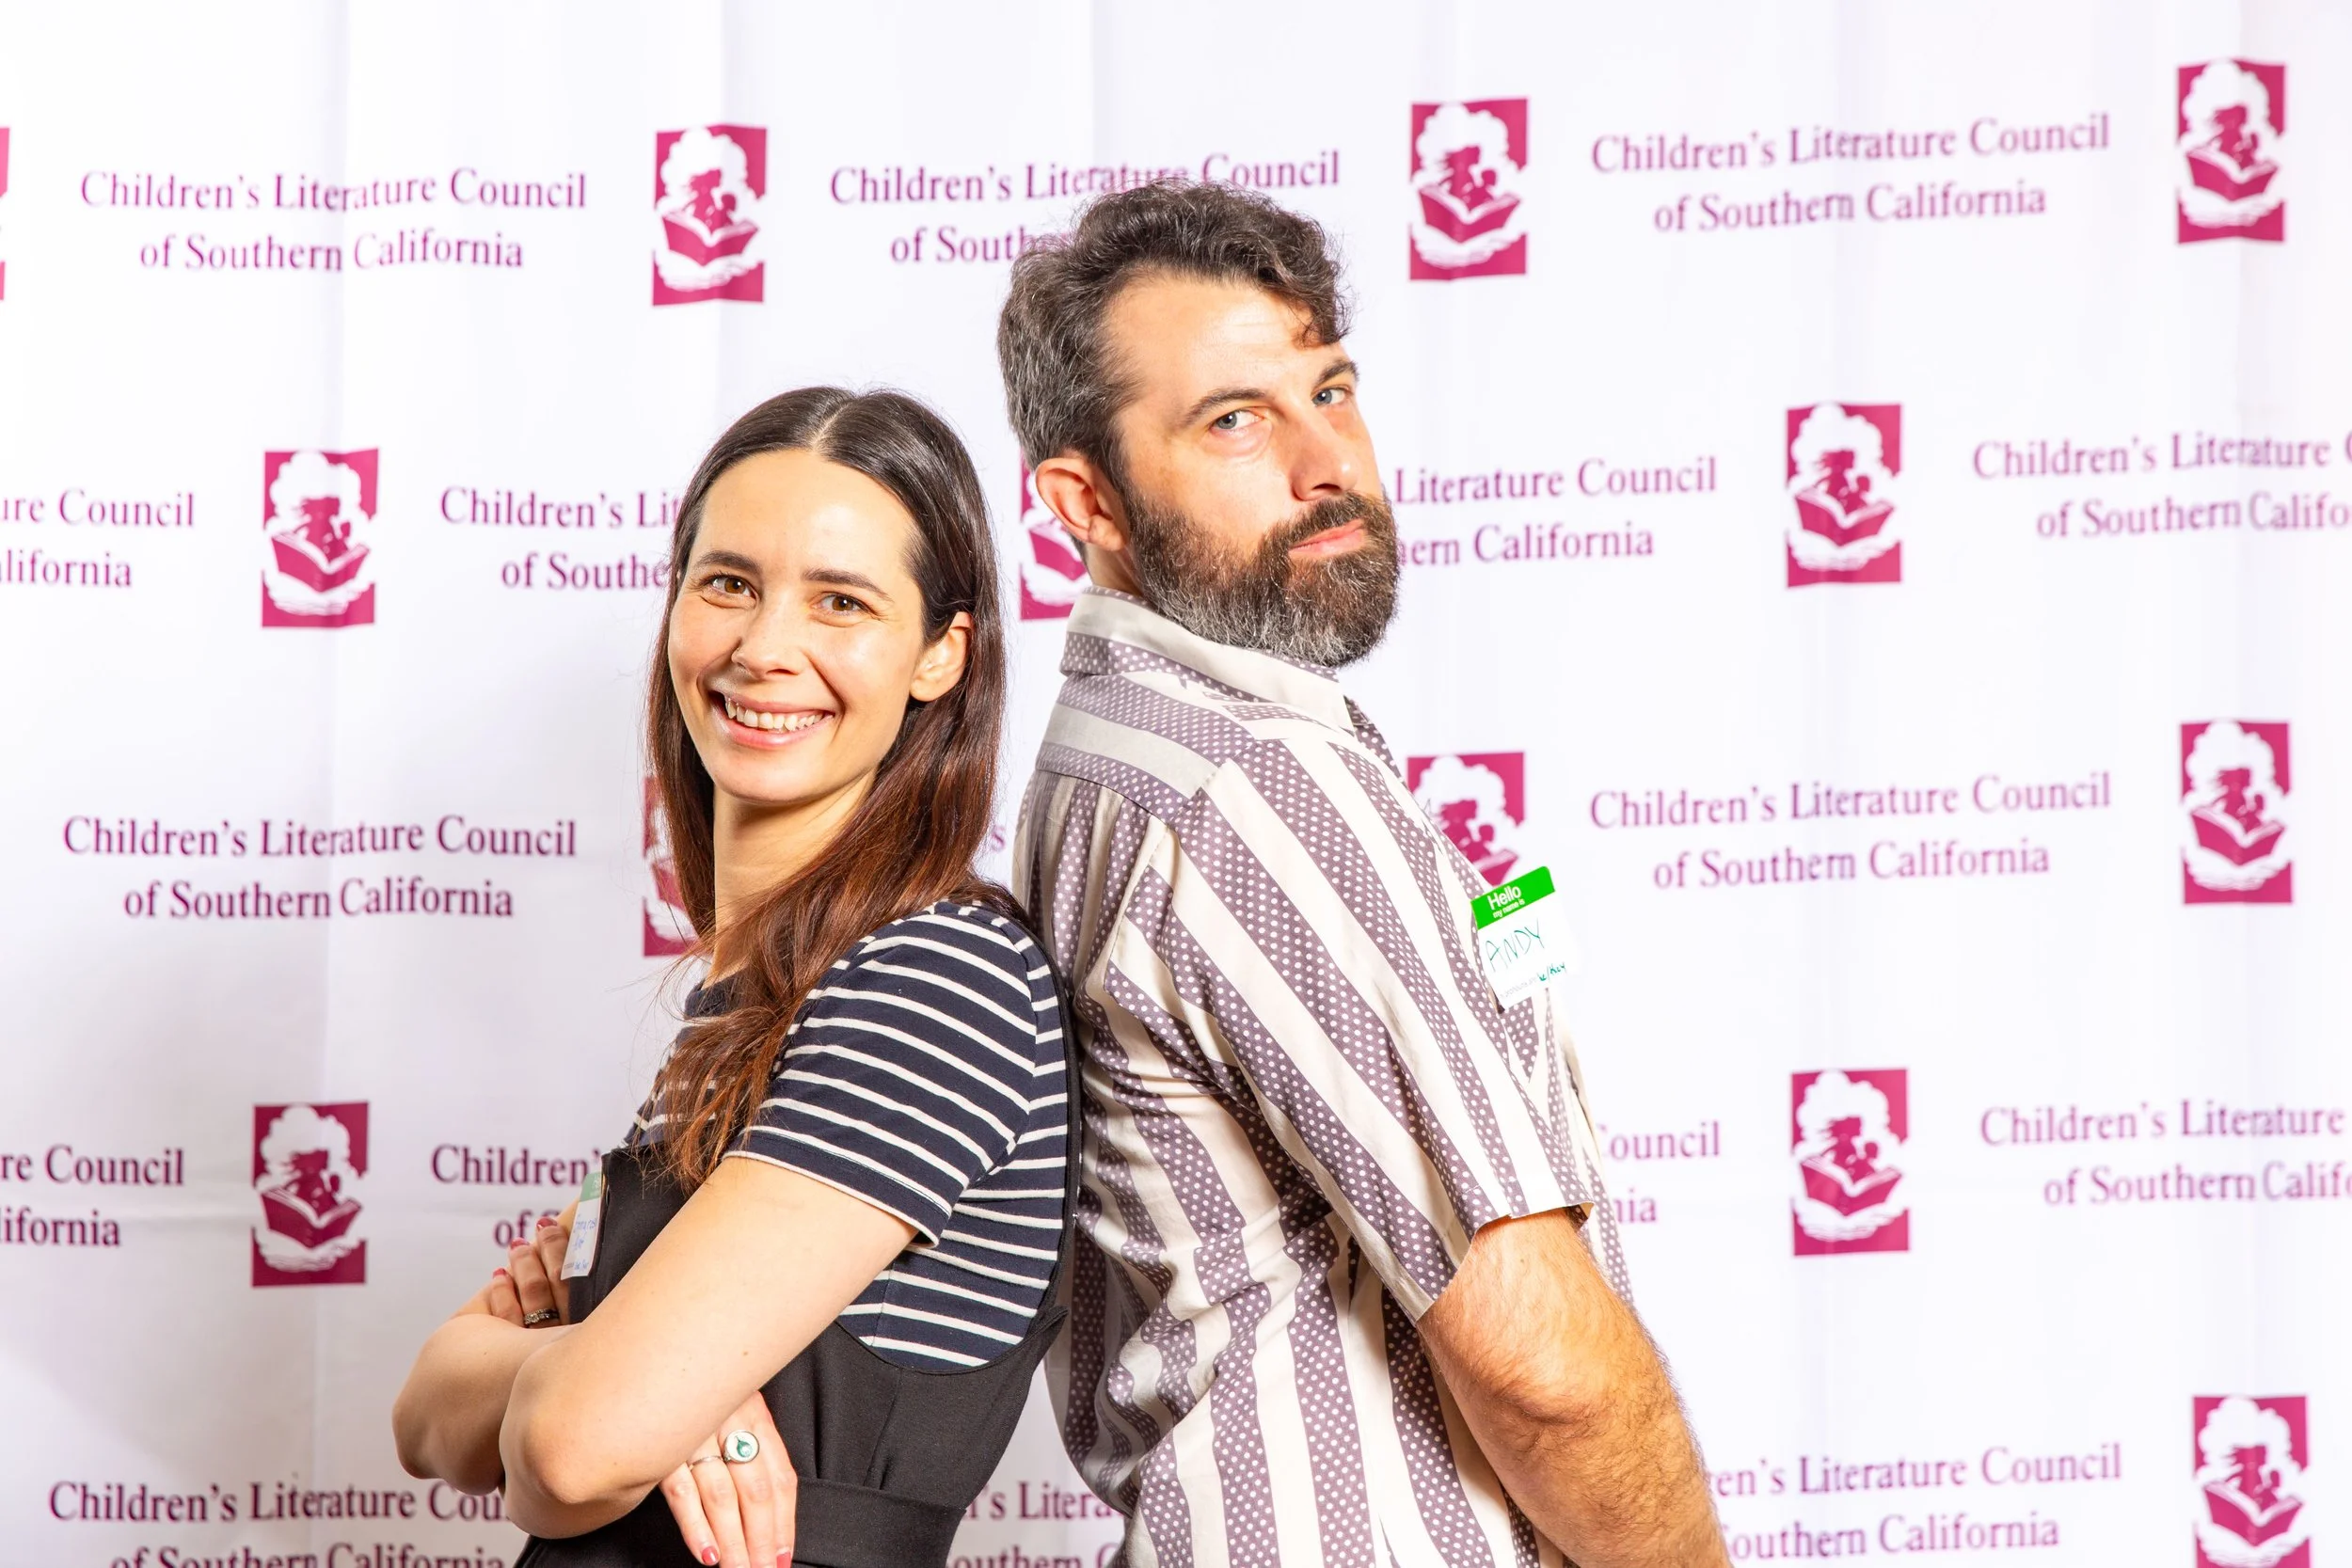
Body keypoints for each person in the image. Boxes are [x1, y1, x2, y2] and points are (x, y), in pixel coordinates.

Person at [998, 182, 1728, 1568]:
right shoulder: (1253, 781)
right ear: (1087, 502)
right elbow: (1543, 1365)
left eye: (1330, 389)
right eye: (1235, 420)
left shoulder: (1113, 749)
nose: (1326, 459)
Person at [392, 388, 1074, 1568]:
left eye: (840, 600)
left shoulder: (936, 979)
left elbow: (568, 1452)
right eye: (727, 583)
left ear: (940, 654)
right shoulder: (760, 997)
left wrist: (607, 1388)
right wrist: (619, 1378)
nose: (763, 646)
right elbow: (425, 1416)